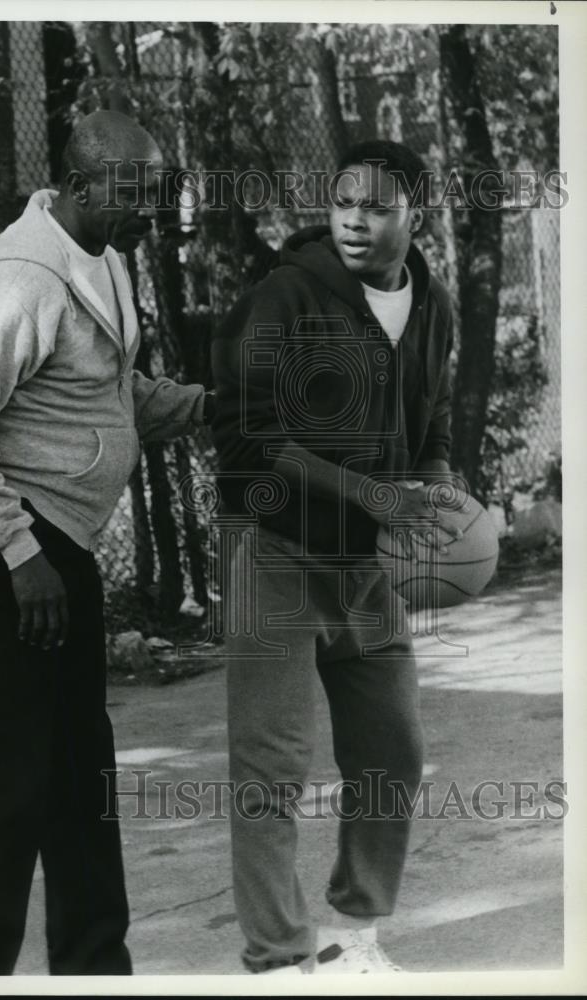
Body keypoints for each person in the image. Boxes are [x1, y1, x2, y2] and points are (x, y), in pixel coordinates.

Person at [0, 110, 214, 976]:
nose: (150, 214)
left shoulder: (105, 259)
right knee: (11, 789)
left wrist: (205, 406)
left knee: (83, 777)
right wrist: (18, 554)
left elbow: (109, 399)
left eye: (159, 196)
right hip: (12, 546)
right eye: (135, 194)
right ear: (81, 187)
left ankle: (94, 971)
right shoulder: (21, 281)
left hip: (59, 547)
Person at [210, 140, 462, 975]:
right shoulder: (286, 297)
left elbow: (432, 427)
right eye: (344, 202)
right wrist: (370, 494)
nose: (355, 219)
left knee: (393, 747)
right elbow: (246, 438)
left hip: (362, 563)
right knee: (271, 764)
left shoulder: (434, 307)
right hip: (273, 548)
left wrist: (434, 496)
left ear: (413, 215)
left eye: (378, 206)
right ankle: (277, 959)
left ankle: (358, 938)